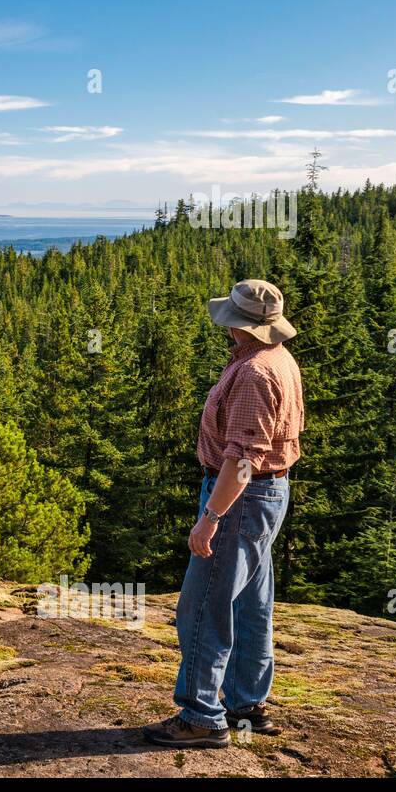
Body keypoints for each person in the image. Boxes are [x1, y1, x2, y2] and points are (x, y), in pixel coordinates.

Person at [143, 279, 304, 748]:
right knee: (251, 604)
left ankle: (200, 716)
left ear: (242, 327)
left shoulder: (255, 373)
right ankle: (246, 703)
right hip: (266, 496)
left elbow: (241, 460)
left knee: (202, 607)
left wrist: (210, 517)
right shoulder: (279, 360)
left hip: (239, 497)